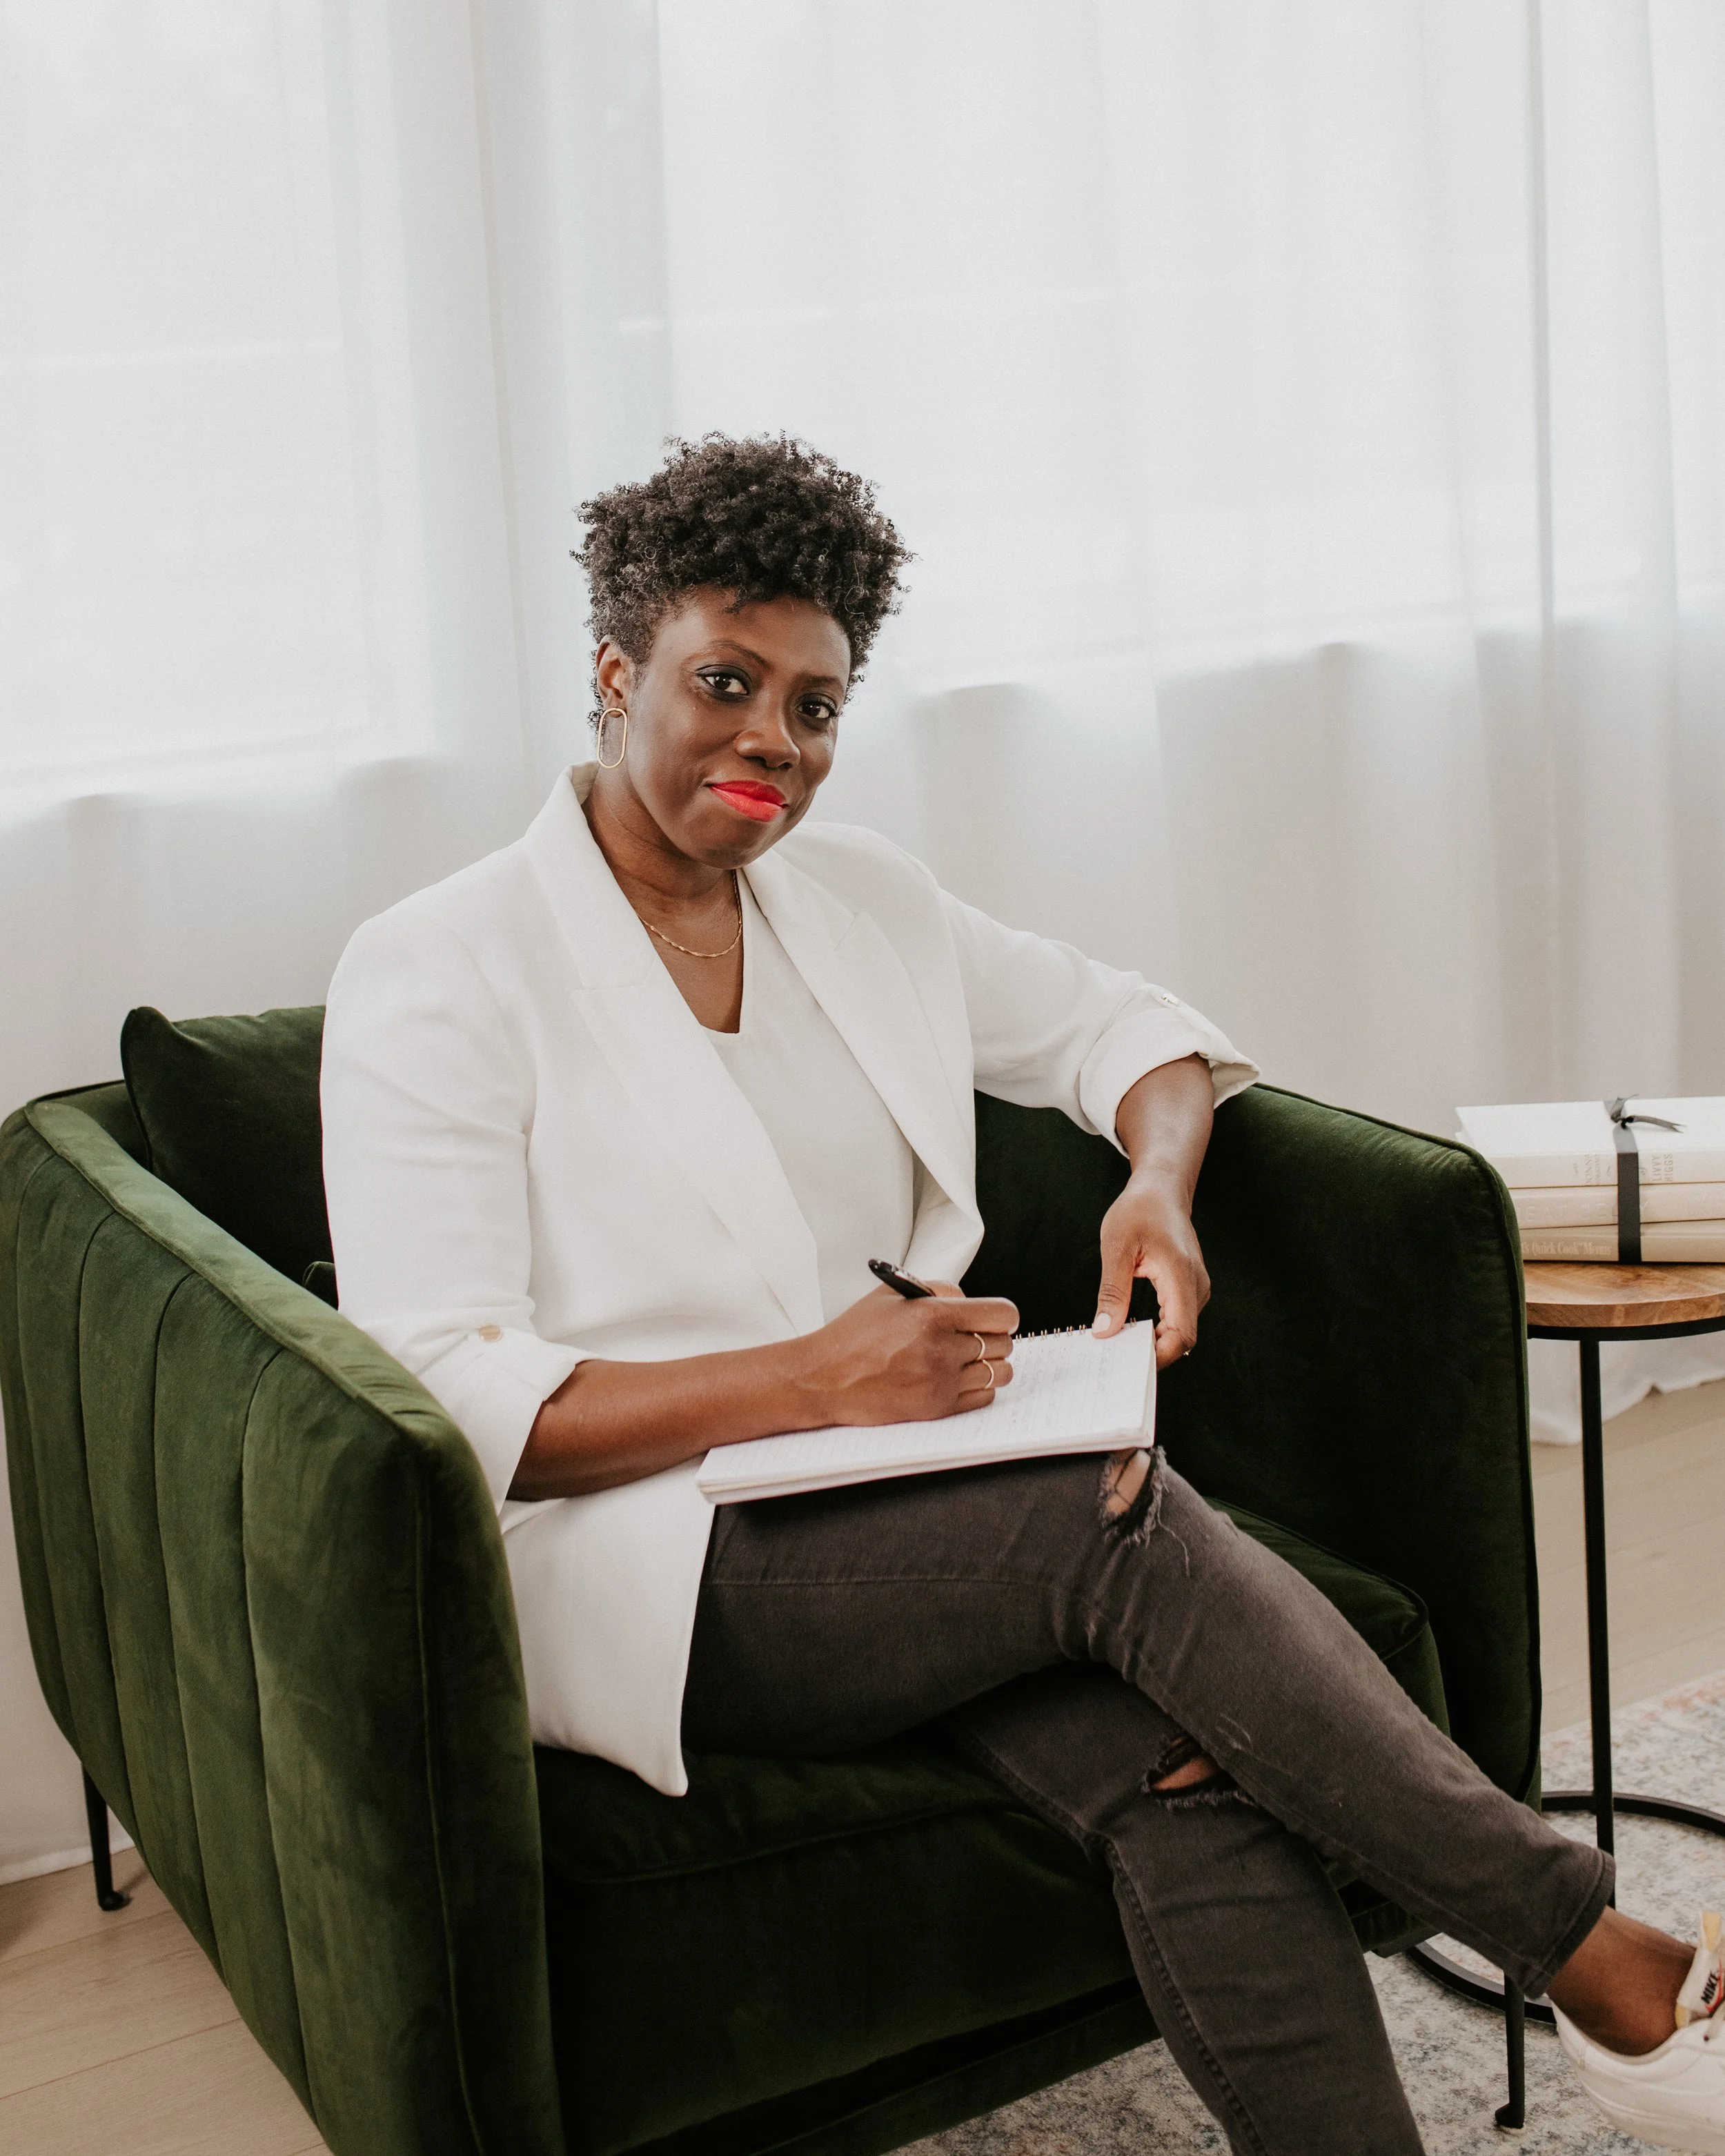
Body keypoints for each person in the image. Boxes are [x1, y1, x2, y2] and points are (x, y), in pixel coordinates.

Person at [322, 435, 1724, 2156]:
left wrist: (1154, 1184)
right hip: (638, 1550)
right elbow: (439, 1401)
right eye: (724, 681)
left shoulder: (863, 904)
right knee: (1103, 1517)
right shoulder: (437, 965)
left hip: (894, 1504)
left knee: (1183, 1774)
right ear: (616, 673)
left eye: (815, 705)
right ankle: (1592, 1950)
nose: (773, 737)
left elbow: (1137, 1030)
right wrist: (817, 1380)